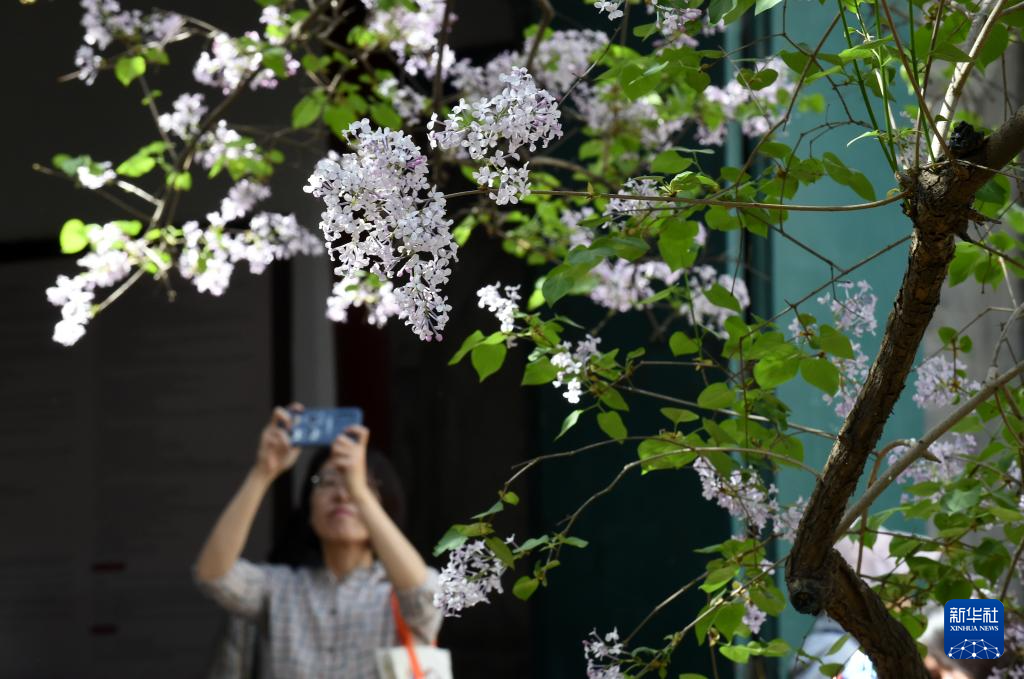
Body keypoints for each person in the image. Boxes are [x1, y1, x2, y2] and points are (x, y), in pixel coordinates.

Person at [194, 405, 442, 678]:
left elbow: (426, 596)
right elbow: (213, 575)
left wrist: (359, 492)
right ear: (308, 511)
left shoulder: (394, 590)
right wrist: (263, 471)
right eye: (326, 482)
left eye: (360, 484)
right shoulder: (281, 588)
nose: (342, 494)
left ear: (385, 509)